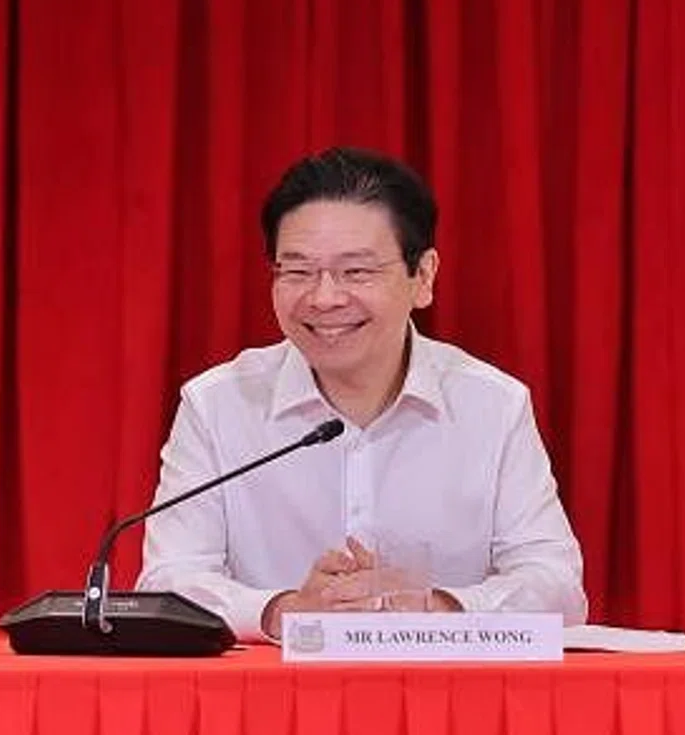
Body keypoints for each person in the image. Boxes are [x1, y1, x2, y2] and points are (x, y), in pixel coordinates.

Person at [134, 147, 585, 642]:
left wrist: (438, 610)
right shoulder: (217, 406)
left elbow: (557, 586)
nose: (324, 298)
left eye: (357, 272)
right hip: (269, 707)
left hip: (447, 704)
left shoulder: (492, 406)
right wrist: (285, 610)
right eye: (298, 271)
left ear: (424, 276)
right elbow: (168, 582)